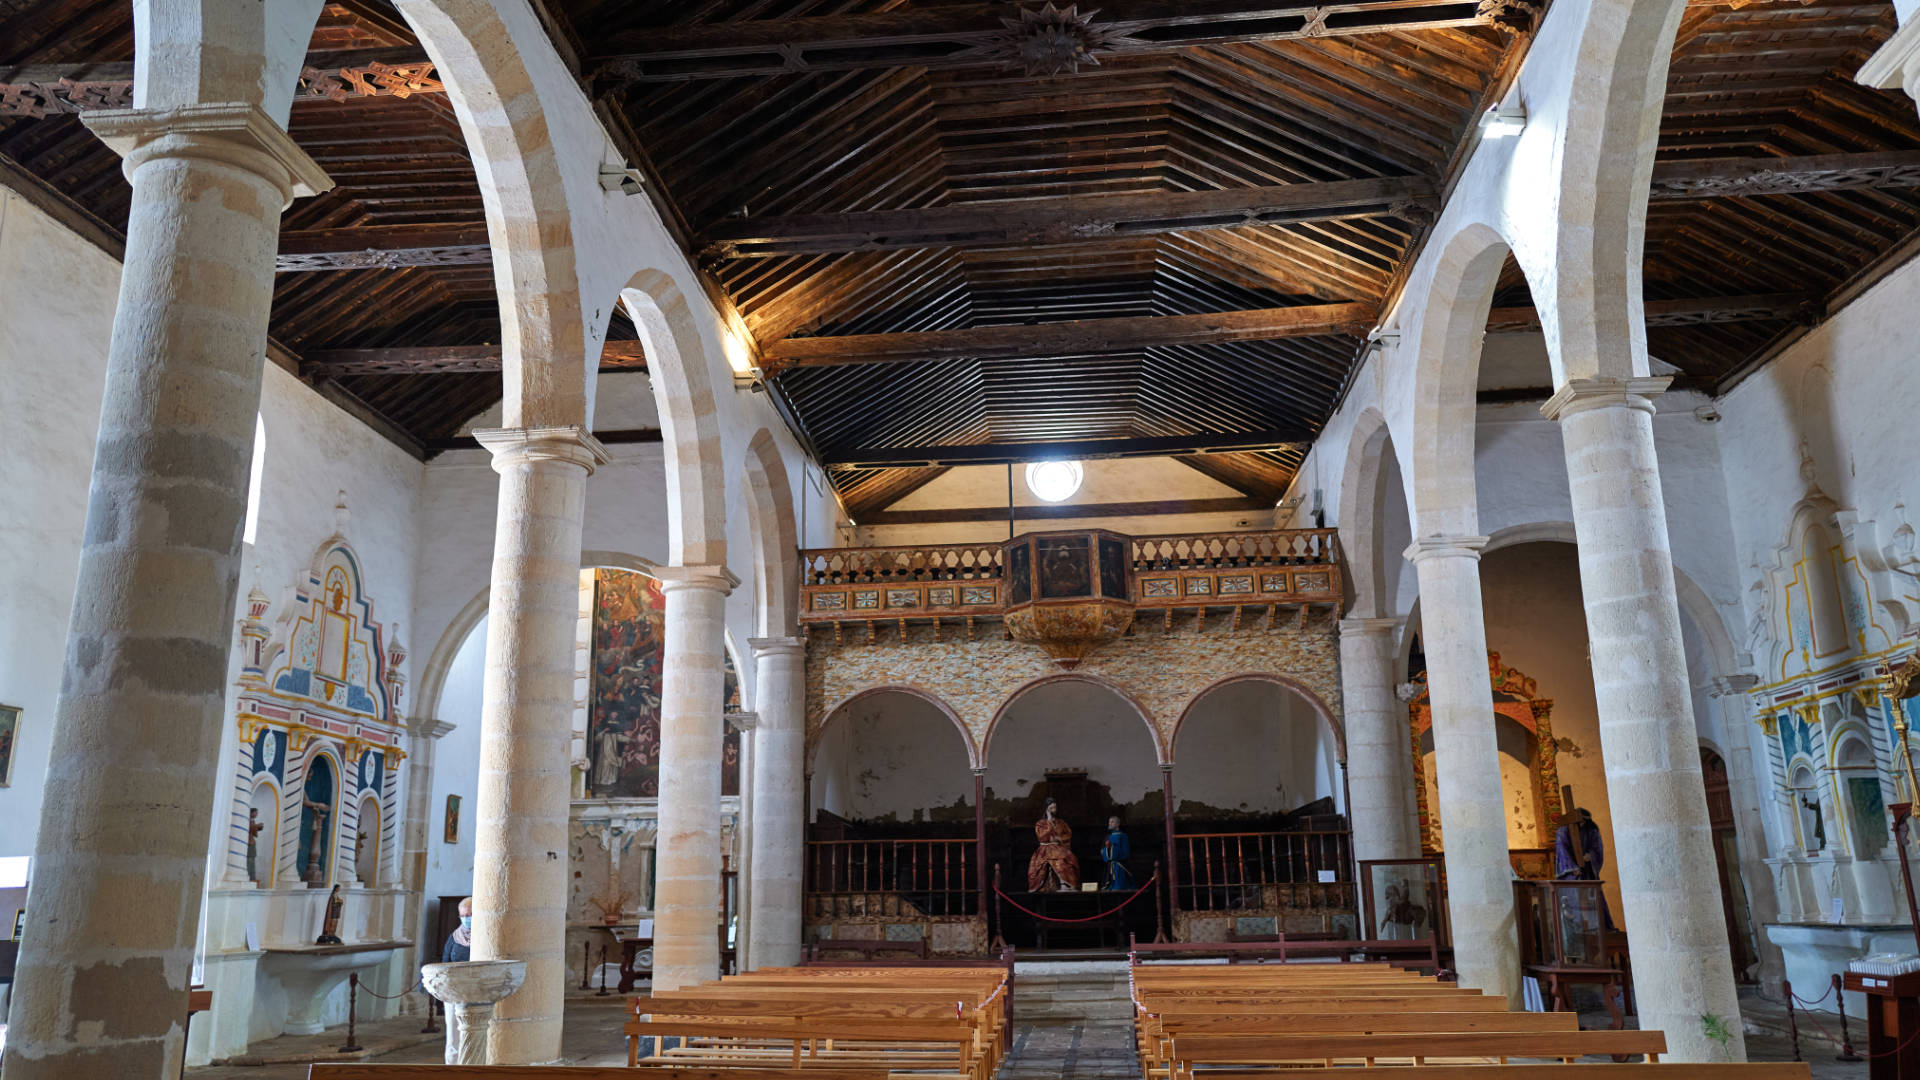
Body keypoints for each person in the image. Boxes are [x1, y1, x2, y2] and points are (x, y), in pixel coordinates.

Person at [1027, 798, 1080, 892]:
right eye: (1051, 808)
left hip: (1059, 847)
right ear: (1047, 809)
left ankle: (1066, 884)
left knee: (1066, 860)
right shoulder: (1041, 823)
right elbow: (1042, 837)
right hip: (1045, 848)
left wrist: (1059, 839)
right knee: (1054, 860)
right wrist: (1049, 821)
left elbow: (1067, 834)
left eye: (1055, 807)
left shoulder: (1061, 823)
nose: (1054, 809)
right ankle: (1043, 885)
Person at [1101, 816, 1134, 890]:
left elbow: (1125, 852)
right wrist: (1107, 848)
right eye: (1109, 822)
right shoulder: (1107, 837)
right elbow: (1103, 851)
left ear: (1118, 824)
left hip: (1120, 866)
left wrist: (1112, 847)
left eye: (1112, 822)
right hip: (1109, 867)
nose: (1109, 823)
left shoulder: (1123, 836)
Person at [442, 896, 472, 962]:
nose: (465, 919)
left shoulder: (484, 936)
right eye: (462, 916)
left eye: (468, 915)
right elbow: (445, 961)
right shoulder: (454, 936)